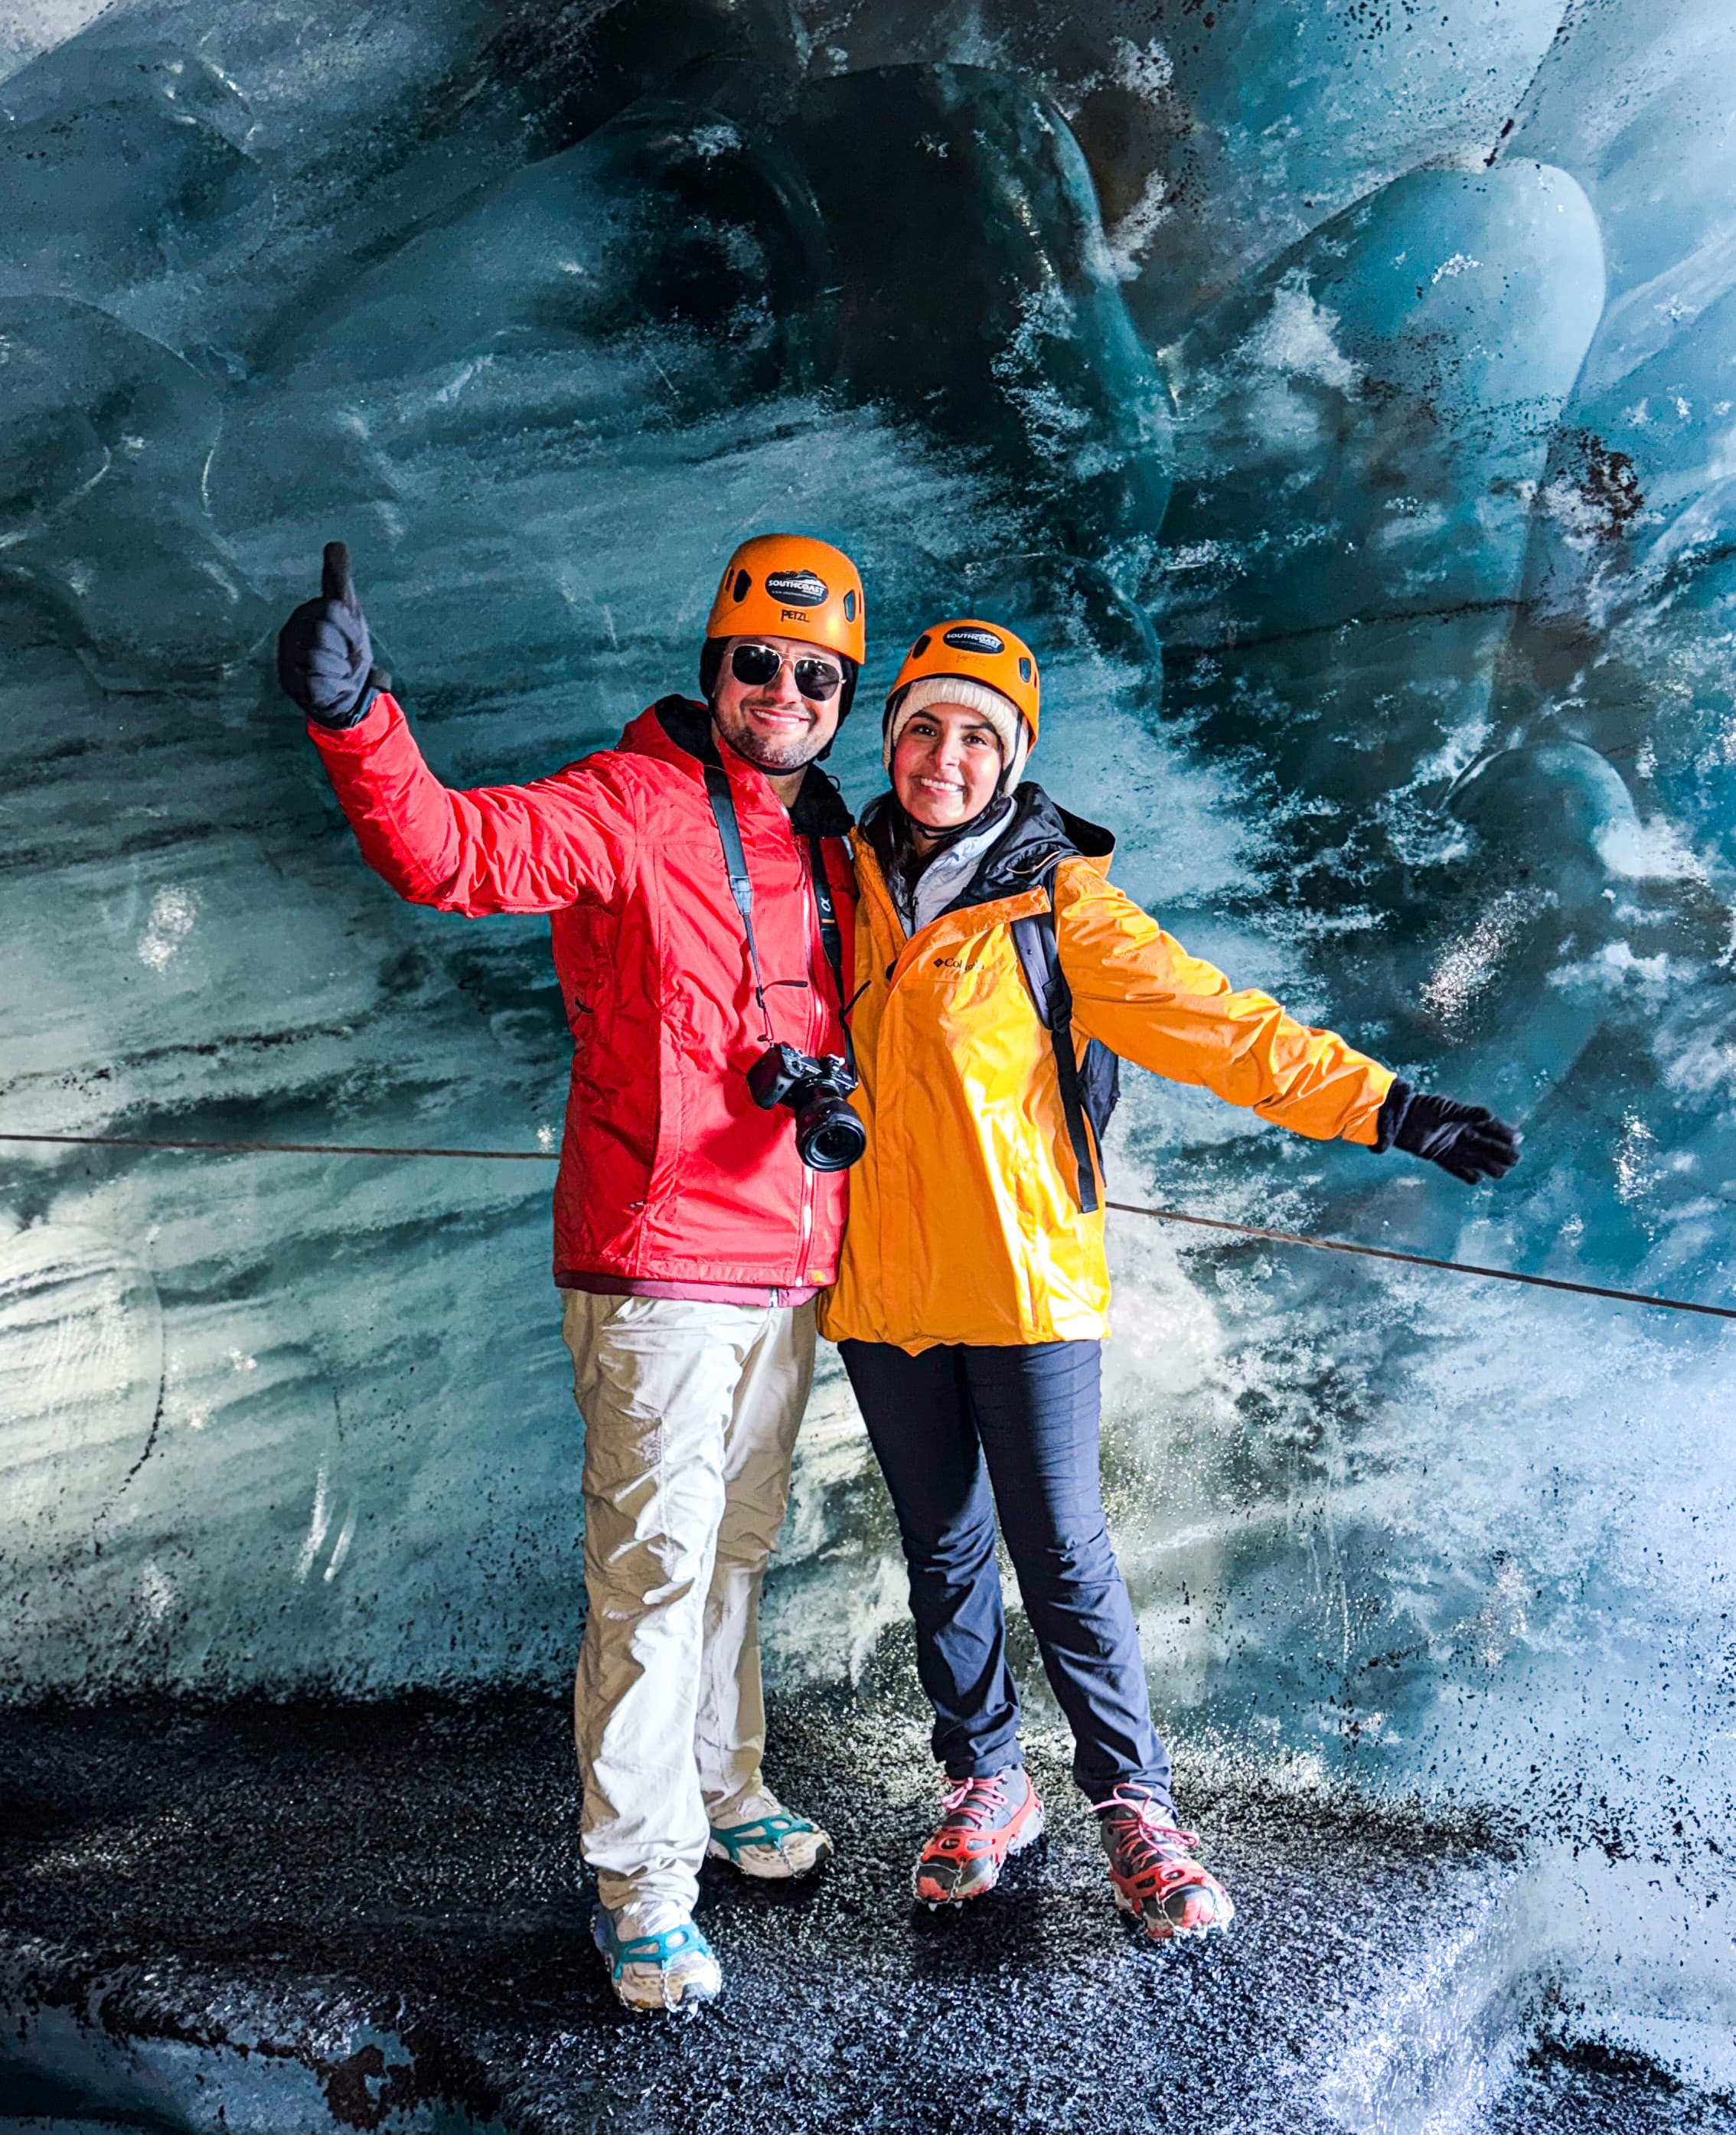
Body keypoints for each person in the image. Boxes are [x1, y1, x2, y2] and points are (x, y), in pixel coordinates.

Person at [823, 617, 1522, 1942]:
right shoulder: (842, 882)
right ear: (891, 734)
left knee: (1061, 1552)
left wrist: (1389, 1107)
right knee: (943, 1551)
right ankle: (985, 1781)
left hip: (1028, 1285)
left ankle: (1133, 1806)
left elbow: (1220, 1025)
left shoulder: (1058, 902)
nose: (943, 757)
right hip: (884, 1290)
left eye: (978, 737)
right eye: (924, 727)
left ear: (1014, 758)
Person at [276, 534, 869, 2013]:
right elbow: (450, 853)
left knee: (733, 1550)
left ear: (842, 696)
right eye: (759, 663)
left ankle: (725, 1786)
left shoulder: (835, 842)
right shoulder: (631, 804)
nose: (783, 692)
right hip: (661, 1264)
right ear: (713, 666)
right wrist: (362, 721)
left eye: (817, 676)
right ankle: (642, 1885)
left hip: (792, 1266)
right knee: (656, 1579)